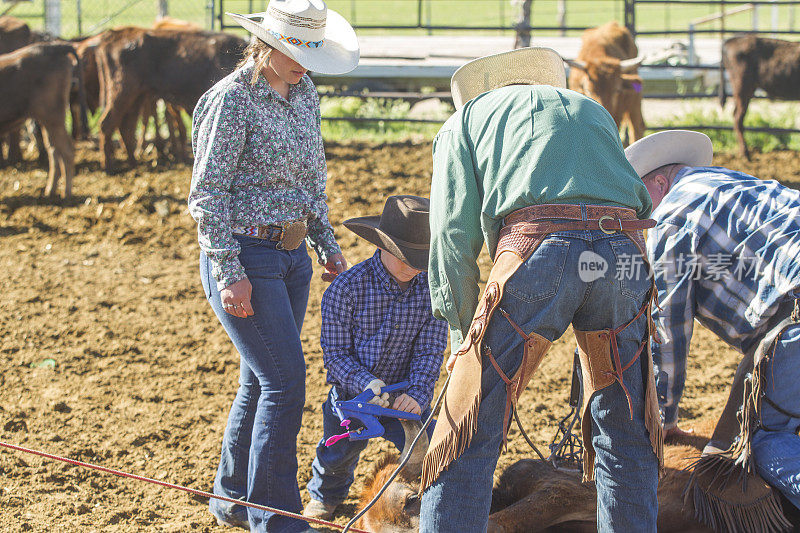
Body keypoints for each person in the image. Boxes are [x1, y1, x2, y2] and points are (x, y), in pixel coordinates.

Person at [419, 48, 662, 533]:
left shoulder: (465, 120)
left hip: (538, 247)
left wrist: (461, 332)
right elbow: (632, 191)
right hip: (624, 249)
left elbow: (451, 235)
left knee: (467, 425)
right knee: (627, 426)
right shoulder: (589, 109)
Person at [188, 1, 358, 531]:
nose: (304, 62)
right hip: (246, 254)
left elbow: (311, 183)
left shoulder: (303, 94)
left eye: (310, 51)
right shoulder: (231, 99)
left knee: (261, 382)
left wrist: (326, 244)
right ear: (267, 44)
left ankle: (234, 499)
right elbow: (207, 193)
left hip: (291, 256)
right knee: (284, 382)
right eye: (295, 51)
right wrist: (226, 268)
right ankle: (276, 517)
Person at [625, 130, 800, 518]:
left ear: (659, 182)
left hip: (795, 308)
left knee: (763, 442)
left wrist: (664, 418)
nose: (639, 219)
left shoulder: (672, 218)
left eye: (639, 203)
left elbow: (668, 332)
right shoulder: (737, 183)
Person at [303, 195, 448, 520]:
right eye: (405, 257)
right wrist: (368, 383)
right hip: (354, 398)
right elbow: (337, 357)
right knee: (336, 453)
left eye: (420, 258)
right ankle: (325, 495)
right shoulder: (345, 290)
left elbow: (430, 350)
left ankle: (433, 501)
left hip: (404, 400)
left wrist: (418, 394)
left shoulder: (432, 290)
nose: (413, 266)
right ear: (381, 245)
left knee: (430, 451)